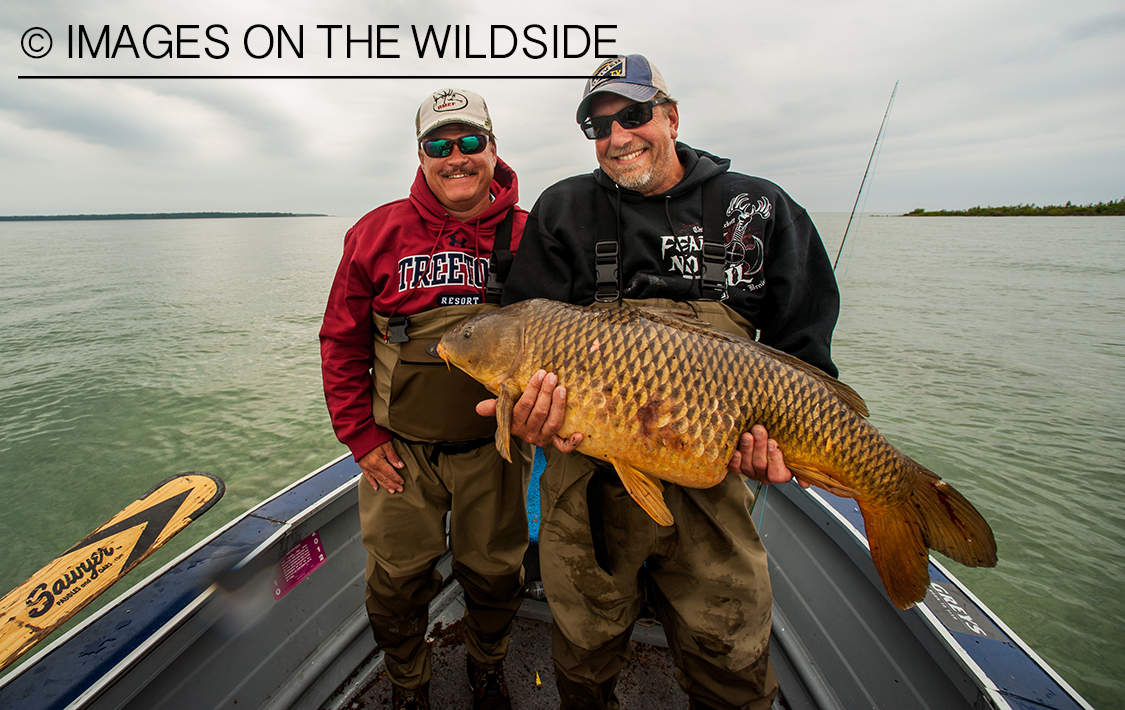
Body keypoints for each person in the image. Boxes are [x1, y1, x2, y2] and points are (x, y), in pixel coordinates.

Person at [489, 54, 841, 709]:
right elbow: (523, 342)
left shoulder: (757, 209)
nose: (616, 136)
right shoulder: (565, 209)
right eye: (598, 127)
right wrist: (523, 418)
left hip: (714, 472)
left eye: (632, 115)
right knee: (584, 652)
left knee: (730, 658)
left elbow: (804, 358)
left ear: (670, 116)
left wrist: (778, 451)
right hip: (587, 481)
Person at [320, 88, 531, 710]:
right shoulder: (375, 233)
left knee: (496, 576)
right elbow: (340, 341)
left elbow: (568, 343)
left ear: (493, 149)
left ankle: (487, 667)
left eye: (470, 142)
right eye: (440, 145)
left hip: (496, 451)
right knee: (395, 583)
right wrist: (361, 438)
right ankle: (409, 685)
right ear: (421, 154)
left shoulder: (530, 236)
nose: (456, 157)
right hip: (399, 458)